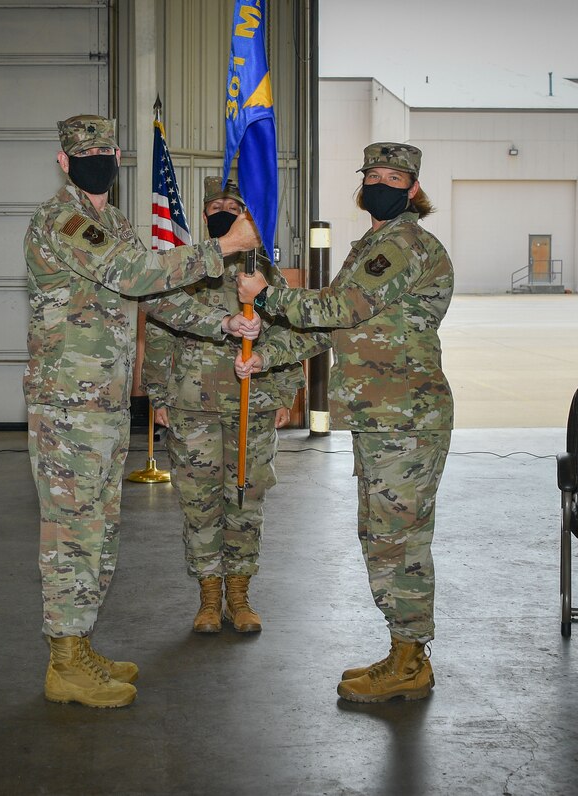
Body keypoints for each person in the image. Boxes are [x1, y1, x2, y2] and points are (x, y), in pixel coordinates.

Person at [25, 114, 261, 709]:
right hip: (68, 404)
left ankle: (79, 647)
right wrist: (220, 249)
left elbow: (155, 297)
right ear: (63, 162)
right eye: (84, 153)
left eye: (105, 151)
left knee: (99, 529)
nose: (96, 159)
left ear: (119, 155)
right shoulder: (64, 220)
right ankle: (63, 662)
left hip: (102, 404)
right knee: (71, 531)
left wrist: (222, 322)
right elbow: (135, 274)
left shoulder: (114, 223)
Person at [236, 142, 454, 703]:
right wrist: (268, 354)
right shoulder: (373, 245)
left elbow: (339, 309)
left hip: (404, 417)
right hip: (384, 415)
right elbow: (330, 326)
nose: (380, 183)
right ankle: (404, 651)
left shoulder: (403, 244)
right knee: (383, 534)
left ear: (412, 188)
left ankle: (410, 659)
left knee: (397, 538)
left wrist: (271, 292)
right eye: (372, 174)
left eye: (393, 176)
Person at [142, 177, 326, 635]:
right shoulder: (186, 268)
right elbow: (161, 333)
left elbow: (290, 331)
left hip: (254, 403)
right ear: (205, 215)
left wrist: (286, 392)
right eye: (216, 205)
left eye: (232, 204)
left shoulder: (261, 270)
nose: (223, 209)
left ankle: (240, 598)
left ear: (245, 212)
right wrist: (158, 396)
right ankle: (208, 600)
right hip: (192, 405)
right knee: (200, 504)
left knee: (244, 500)